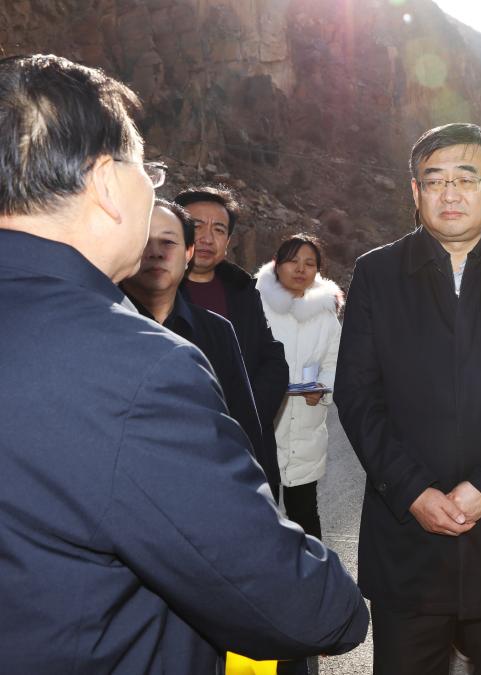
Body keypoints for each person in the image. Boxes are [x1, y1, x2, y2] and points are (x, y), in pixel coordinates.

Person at [0, 53, 367, 674]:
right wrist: (342, 603)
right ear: (106, 182)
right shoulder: (136, 368)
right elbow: (285, 598)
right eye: (148, 171)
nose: (152, 191)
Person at [336, 122, 481, 675]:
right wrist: (413, 490)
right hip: (408, 534)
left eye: (466, 179)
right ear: (415, 191)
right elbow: (358, 395)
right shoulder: (378, 274)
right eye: (434, 179)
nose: (450, 193)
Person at [121, 199, 264, 470]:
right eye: (145, 241)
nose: (156, 252)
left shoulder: (218, 331)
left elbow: (244, 430)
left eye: (168, 242)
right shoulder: (100, 326)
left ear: (188, 253)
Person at [175, 184, 288, 491]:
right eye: (196, 226)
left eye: (219, 229)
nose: (206, 238)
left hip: (245, 451)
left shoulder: (243, 290)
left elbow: (271, 358)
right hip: (179, 449)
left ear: (228, 241)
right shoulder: (152, 290)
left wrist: (247, 415)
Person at [255, 234, 343, 541]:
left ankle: (312, 569)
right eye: (292, 261)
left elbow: (334, 363)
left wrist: (322, 388)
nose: (300, 269)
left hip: (306, 427)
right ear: (276, 264)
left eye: (309, 263)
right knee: (259, 515)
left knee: (305, 514)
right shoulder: (255, 306)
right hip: (264, 424)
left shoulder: (326, 315)